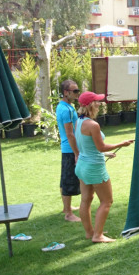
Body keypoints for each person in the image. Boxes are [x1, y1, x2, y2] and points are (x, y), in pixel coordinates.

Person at [74, 92, 134, 243]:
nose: (100, 104)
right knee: (107, 201)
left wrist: (106, 154)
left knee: (85, 200)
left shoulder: (79, 121)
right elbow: (100, 147)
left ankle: (90, 233)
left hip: (82, 165)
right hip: (94, 167)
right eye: (97, 101)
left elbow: (86, 146)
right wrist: (122, 143)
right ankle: (98, 236)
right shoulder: (93, 125)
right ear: (90, 105)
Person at [57, 79, 81, 222]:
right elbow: (70, 133)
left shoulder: (65, 106)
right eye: (75, 91)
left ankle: (67, 208)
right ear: (66, 92)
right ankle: (68, 214)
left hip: (68, 148)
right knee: (68, 180)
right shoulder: (65, 110)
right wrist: (76, 153)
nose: (77, 93)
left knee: (64, 179)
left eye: (78, 90)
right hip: (69, 149)